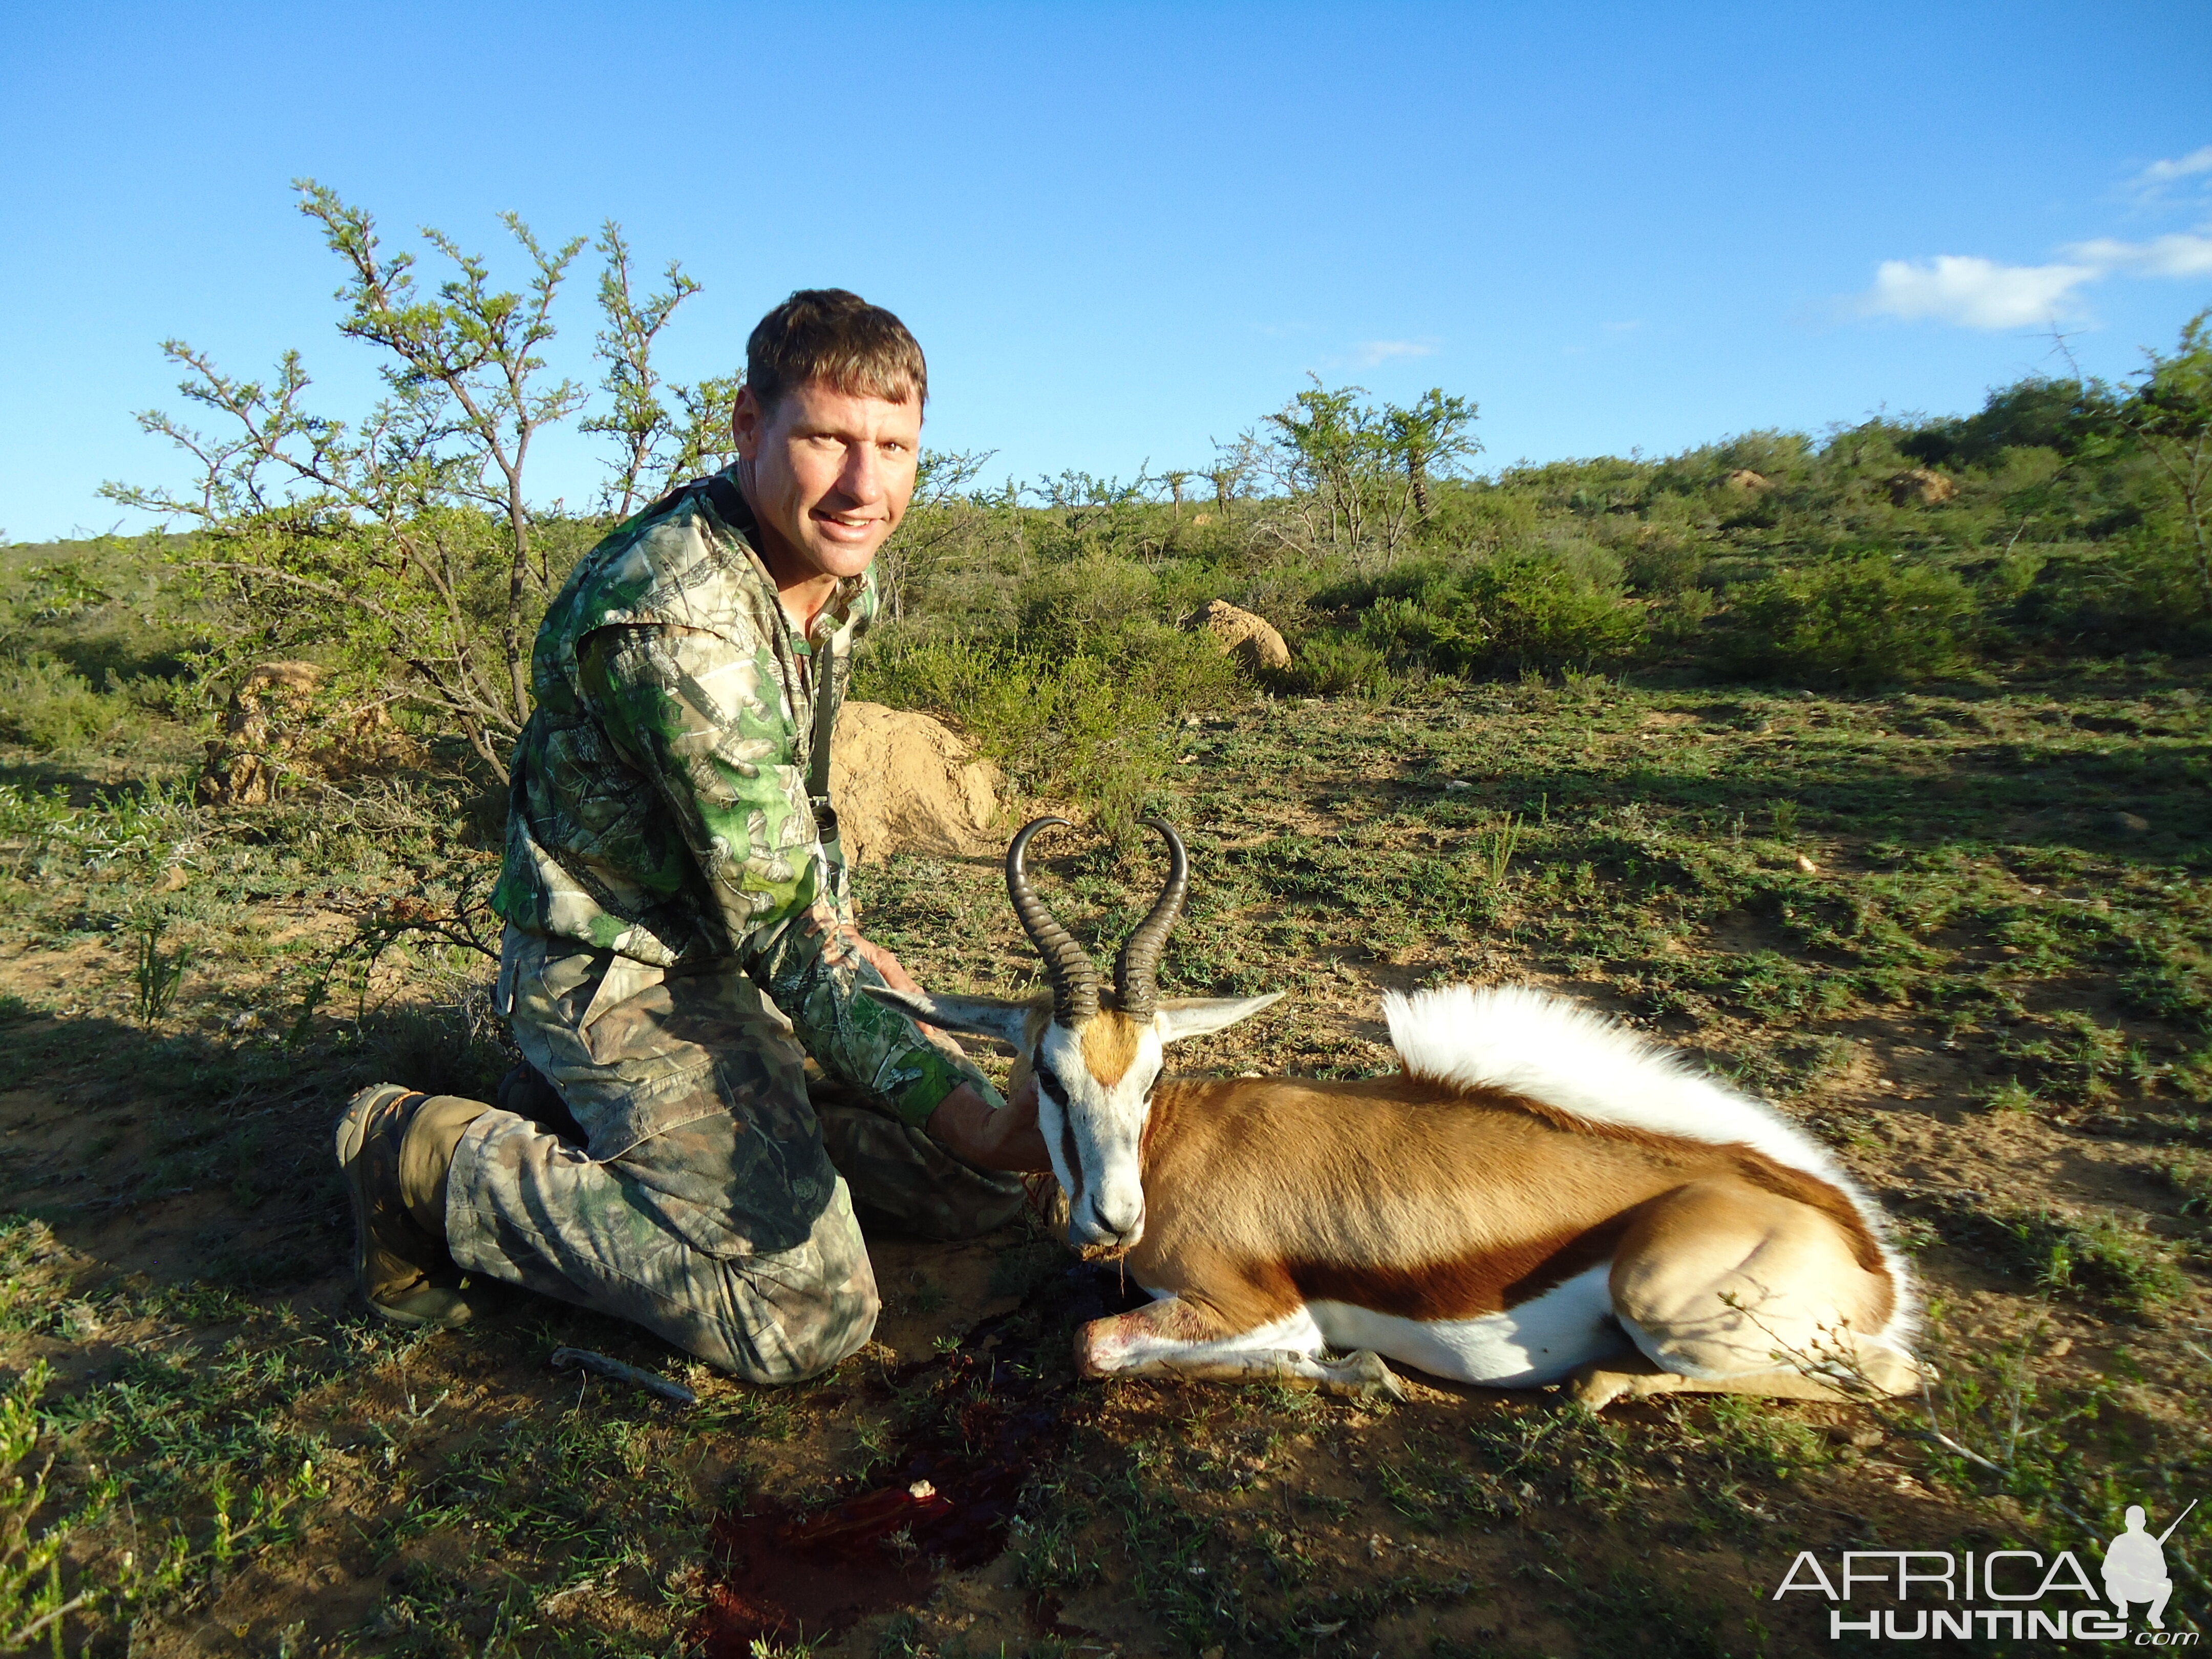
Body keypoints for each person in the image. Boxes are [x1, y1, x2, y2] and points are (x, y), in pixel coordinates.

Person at [334, 289, 1050, 1383]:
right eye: (826, 439)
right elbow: (774, 918)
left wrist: (849, 954)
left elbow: (787, 835)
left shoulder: (820, 570)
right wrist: (897, 1044)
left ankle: (722, 1142)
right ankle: (426, 1158)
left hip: (744, 946)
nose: (865, 486)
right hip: (623, 972)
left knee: (993, 1173)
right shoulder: (681, 620)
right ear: (748, 427)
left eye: (894, 447)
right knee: (800, 1313)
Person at [2102, 1505, 2175, 1629]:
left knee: (2167, 1584)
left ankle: (2154, 1615)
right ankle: (2122, 1608)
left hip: (2145, 1589)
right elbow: (2106, 1569)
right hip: (2124, 1588)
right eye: (2132, 1522)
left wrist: (2150, 1570)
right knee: (2112, 1581)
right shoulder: (2120, 1541)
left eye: (2138, 1522)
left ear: (2144, 1523)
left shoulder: (2151, 1542)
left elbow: (2163, 1571)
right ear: (2126, 1522)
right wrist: (2123, 1572)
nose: (2135, 1525)